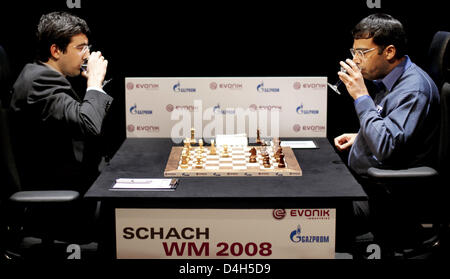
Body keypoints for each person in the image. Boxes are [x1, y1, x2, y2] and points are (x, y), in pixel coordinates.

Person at [333, 14, 440, 253]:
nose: (356, 60)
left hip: (384, 197)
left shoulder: (414, 89)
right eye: (354, 52)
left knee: (310, 211)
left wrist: (361, 97)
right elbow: (390, 128)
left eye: (363, 53)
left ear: (389, 51)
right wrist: (360, 136)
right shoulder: (390, 80)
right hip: (366, 184)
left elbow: (386, 146)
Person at [9, 11, 113, 194]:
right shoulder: (39, 82)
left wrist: (97, 84)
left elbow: (88, 119)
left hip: (77, 179)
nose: (87, 55)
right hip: (63, 191)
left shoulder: (43, 77)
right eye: (80, 48)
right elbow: (88, 124)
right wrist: (94, 82)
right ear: (56, 50)